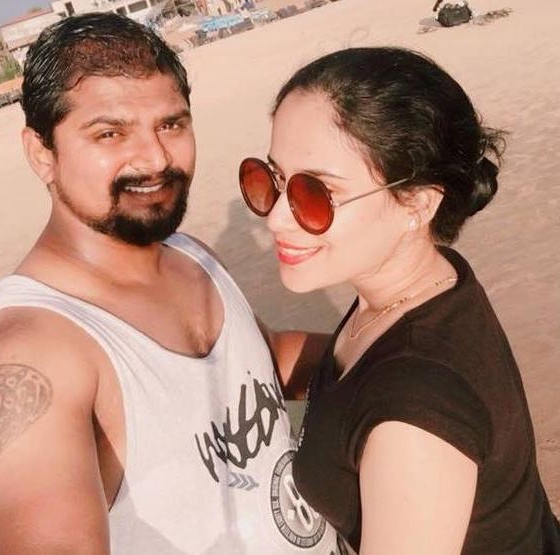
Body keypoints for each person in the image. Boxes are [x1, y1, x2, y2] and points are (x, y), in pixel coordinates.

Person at [0, 13, 341, 555]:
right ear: (42, 153)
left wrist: (394, 345)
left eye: (171, 125)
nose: (155, 158)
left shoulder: (192, 257)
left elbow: (264, 361)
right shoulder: (28, 349)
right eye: (109, 133)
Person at [238, 47, 560, 554]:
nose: (277, 218)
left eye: (316, 193)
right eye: (272, 179)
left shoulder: (413, 424)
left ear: (417, 203)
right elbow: (357, 371)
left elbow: (397, 390)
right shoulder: (423, 287)